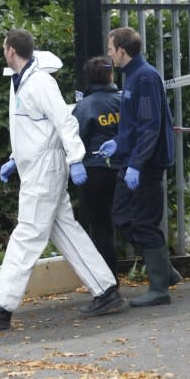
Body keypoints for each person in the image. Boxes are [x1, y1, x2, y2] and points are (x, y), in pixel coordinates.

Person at [0, 28, 126, 330]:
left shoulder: (38, 82)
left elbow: (63, 121)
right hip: (37, 167)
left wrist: (76, 158)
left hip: (43, 170)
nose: (3, 51)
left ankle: (3, 305)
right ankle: (106, 290)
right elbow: (34, 128)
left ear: (11, 50)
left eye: (4, 47)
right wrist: (15, 159)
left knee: (26, 233)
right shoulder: (21, 82)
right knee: (66, 231)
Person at [97, 26, 175, 307]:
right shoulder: (130, 76)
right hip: (130, 159)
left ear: (122, 50)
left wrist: (138, 165)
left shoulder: (144, 78)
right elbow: (131, 124)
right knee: (122, 217)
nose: (108, 54)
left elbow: (149, 126)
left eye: (110, 49)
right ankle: (164, 271)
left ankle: (159, 288)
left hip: (145, 164)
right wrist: (117, 143)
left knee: (144, 222)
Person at [71, 56, 123, 281]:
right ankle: (162, 271)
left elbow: (75, 138)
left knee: (101, 228)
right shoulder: (124, 101)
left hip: (94, 172)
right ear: (111, 75)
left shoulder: (84, 106)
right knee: (133, 222)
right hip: (124, 170)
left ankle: (108, 280)